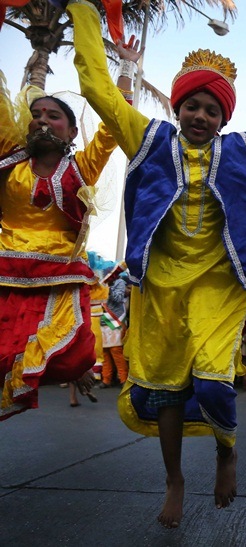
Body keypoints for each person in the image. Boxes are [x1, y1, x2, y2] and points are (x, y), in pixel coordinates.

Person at [68, 0, 246, 528]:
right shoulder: (147, 138)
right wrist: (83, 10)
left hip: (220, 288)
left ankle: (227, 452)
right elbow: (97, 90)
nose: (200, 117)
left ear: (225, 116)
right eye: (192, 106)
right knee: (168, 391)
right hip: (160, 286)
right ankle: (175, 479)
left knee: (213, 383)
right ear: (178, 106)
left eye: (212, 110)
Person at [0, 45, 136, 418]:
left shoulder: (80, 169)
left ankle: (80, 375)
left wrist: (127, 67)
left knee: (71, 355)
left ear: (73, 130)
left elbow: (113, 124)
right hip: (6, 277)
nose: (42, 120)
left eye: (54, 116)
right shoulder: (8, 162)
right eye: (36, 114)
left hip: (59, 280)